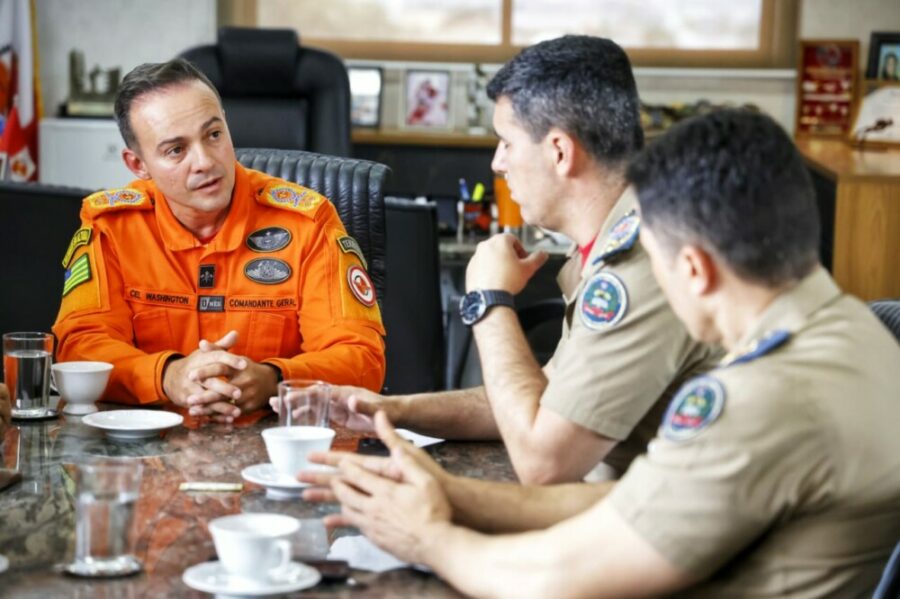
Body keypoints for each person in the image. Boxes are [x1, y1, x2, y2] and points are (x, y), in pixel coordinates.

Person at [306, 109, 900, 597]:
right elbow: (643, 503)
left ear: (692, 268)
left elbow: (554, 581)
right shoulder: (861, 333)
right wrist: (451, 494)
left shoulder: (754, 402)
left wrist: (426, 535)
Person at [326, 36, 719, 483]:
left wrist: (489, 299)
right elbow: (542, 396)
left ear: (559, 151)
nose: (497, 163)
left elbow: (541, 462)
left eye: (507, 143)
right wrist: (390, 409)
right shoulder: (612, 238)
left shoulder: (642, 264)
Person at [52, 59, 386, 422]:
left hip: (274, 447)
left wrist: (275, 378)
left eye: (213, 135)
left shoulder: (308, 222)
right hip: (145, 448)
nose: (205, 162)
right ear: (138, 165)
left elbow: (362, 358)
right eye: (176, 150)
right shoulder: (112, 227)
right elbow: (78, 350)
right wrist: (167, 376)